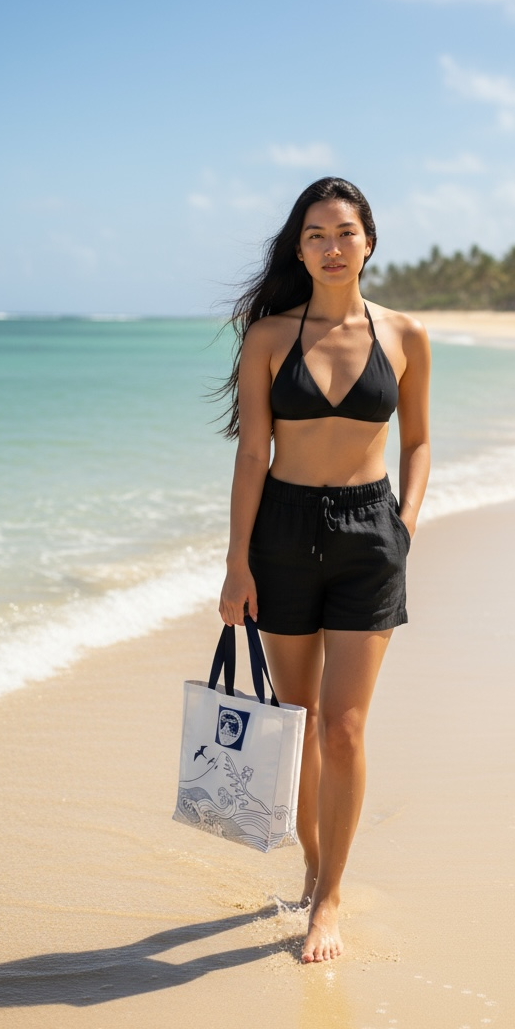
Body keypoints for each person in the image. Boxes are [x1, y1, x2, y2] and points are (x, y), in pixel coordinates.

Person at [218, 176, 430, 964]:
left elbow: (417, 441)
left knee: (344, 727)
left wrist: (403, 526)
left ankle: (329, 898)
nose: (331, 247)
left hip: (370, 535)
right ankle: (314, 863)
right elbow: (251, 454)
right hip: (283, 533)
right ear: (298, 248)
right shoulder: (270, 338)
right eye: (315, 234)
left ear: (369, 241)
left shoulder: (405, 334)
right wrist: (236, 563)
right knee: (298, 721)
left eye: (345, 232)